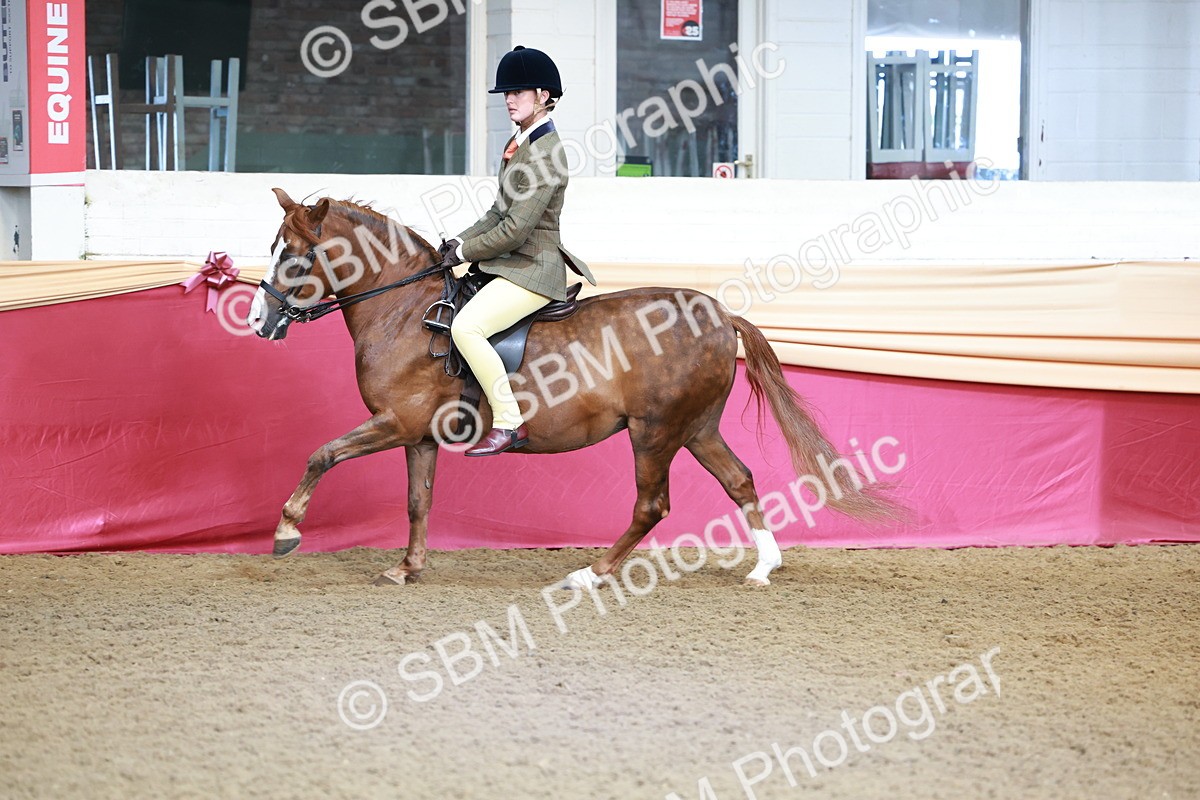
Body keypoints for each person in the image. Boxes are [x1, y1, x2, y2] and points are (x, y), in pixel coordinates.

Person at [440, 46, 597, 457]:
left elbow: (514, 230)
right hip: (511, 262)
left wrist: (465, 252)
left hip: (533, 267)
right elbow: (497, 210)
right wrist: (457, 242)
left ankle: (508, 421)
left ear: (544, 95)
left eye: (518, 92)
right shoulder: (520, 141)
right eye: (506, 93)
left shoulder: (546, 153)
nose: (509, 99)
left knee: (466, 328)